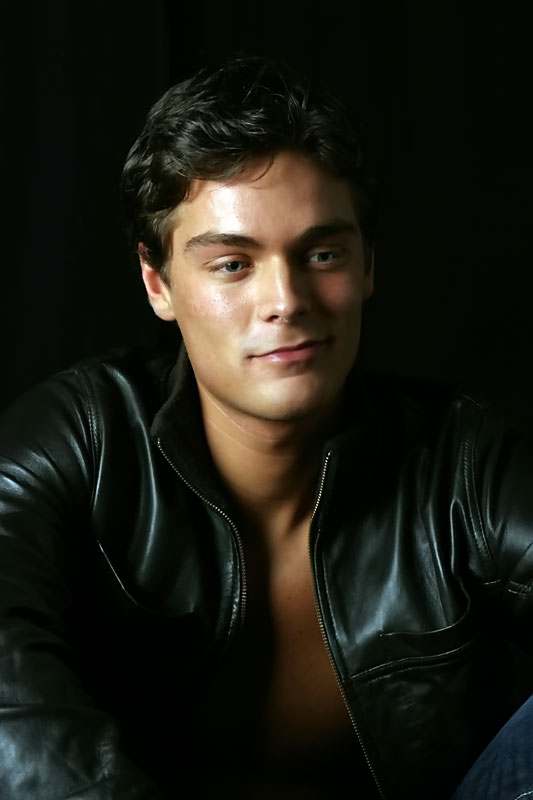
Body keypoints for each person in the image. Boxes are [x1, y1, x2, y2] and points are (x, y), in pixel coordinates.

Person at [0, 54, 533, 800]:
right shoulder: (79, 442)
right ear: (158, 283)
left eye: (322, 254)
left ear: (367, 266)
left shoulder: (462, 461)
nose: (286, 299)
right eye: (231, 264)